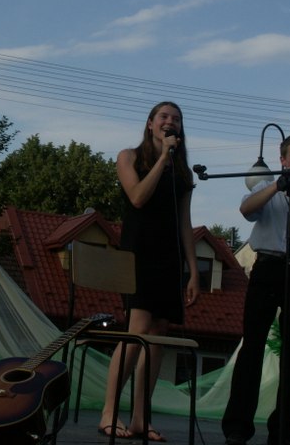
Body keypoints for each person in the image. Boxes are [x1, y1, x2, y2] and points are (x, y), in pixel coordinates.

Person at [222, 133, 290, 445]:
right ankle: (237, 428)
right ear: (283, 160)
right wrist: (277, 186)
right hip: (268, 267)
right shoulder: (266, 188)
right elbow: (246, 210)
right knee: (252, 347)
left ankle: (282, 431)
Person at [97, 101, 200, 442]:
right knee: (137, 329)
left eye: (177, 119)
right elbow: (138, 197)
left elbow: (184, 222)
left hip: (169, 257)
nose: (171, 122)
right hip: (139, 252)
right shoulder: (129, 157)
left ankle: (141, 417)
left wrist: (193, 270)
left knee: (157, 335)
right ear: (151, 124)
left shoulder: (183, 174)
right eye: (164, 117)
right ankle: (109, 412)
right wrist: (162, 159)